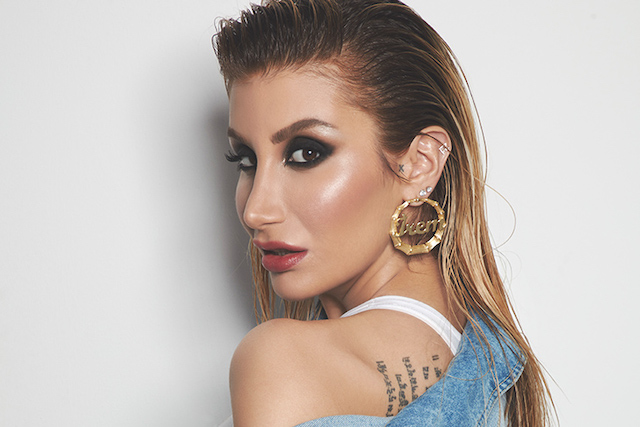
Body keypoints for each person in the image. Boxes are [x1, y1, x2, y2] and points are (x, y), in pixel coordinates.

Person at [214, 0, 553, 425]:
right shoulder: (491, 369)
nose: (256, 211)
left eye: (306, 153)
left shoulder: (282, 361)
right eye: (245, 160)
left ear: (419, 164)